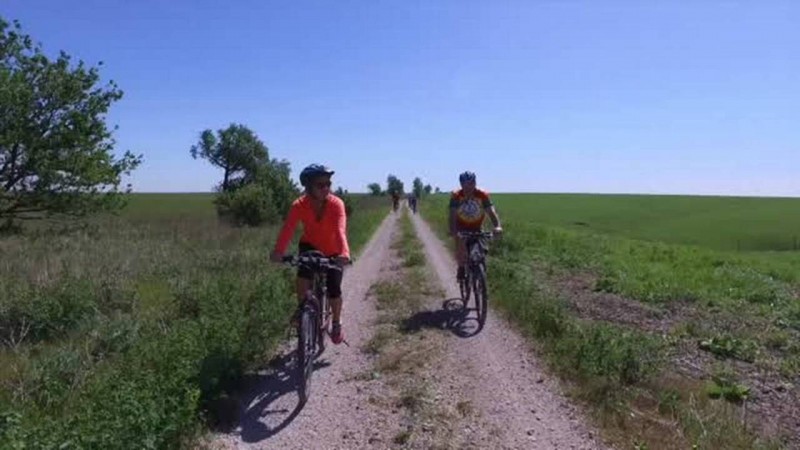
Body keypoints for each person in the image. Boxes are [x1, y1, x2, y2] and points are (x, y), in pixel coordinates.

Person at [271, 164, 350, 345]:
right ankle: (302, 311)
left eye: (328, 184)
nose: (326, 189)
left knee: (334, 289)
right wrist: (278, 252)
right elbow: (288, 230)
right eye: (320, 185)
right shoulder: (299, 205)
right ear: (308, 187)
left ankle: (336, 324)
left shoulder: (336, 204)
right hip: (310, 246)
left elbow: (340, 230)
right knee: (303, 278)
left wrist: (344, 253)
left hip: (333, 250)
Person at [448, 171, 503, 281]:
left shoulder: (482, 195)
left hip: (477, 227)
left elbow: (491, 212)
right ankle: (461, 268)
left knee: (482, 249)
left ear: (475, 183)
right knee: (461, 246)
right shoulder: (456, 196)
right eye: (465, 184)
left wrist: (497, 226)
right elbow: (452, 215)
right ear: (461, 184)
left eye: (471, 183)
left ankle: (480, 272)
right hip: (461, 227)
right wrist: (454, 231)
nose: (469, 187)